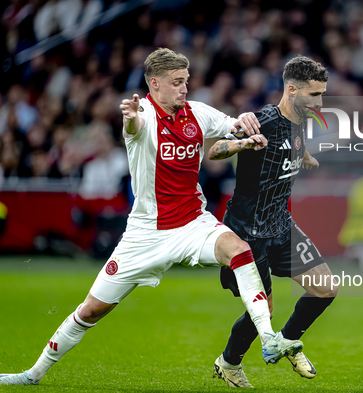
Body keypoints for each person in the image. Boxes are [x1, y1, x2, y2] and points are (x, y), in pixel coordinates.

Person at [0, 48, 303, 386]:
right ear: (154, 84)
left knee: (238, 248)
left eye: (186, 82)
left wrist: (244, 123)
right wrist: (129, 116)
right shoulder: (142, 113)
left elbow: (231, 127)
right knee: (91, 310)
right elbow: (134, 126)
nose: (184, 89)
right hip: (144, 234)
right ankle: (33, 374)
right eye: (176, 83)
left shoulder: (197, 114)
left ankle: (268, 336)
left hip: (192, 224)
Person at [208, 56, 337, 388]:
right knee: (261, 312)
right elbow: (215, 150)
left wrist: (304, 155)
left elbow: (289, 145)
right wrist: (243, 143)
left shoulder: (299, 120)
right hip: (247, 232)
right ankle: (229, 363)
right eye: (314, 95)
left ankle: (289, 341)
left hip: (281, 224)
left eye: (322, 94)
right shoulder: (262, 120)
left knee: (325, 289)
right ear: (291, 90)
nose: (319, 102)